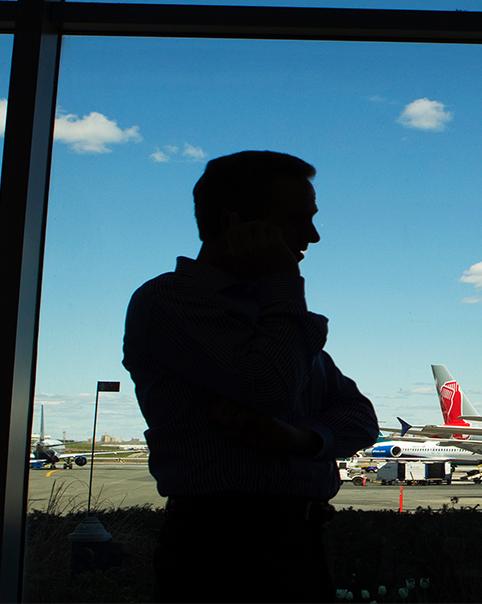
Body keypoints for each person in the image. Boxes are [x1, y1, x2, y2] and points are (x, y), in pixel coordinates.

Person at [123, 150, 379, 603]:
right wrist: (283, 280)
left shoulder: (274, 318)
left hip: (300, 539)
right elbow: (270, 391)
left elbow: (361, 418)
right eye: (297, 219)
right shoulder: (168, 302)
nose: (314, 236)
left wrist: (298, 440)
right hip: (223, 548)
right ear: (234, 223)